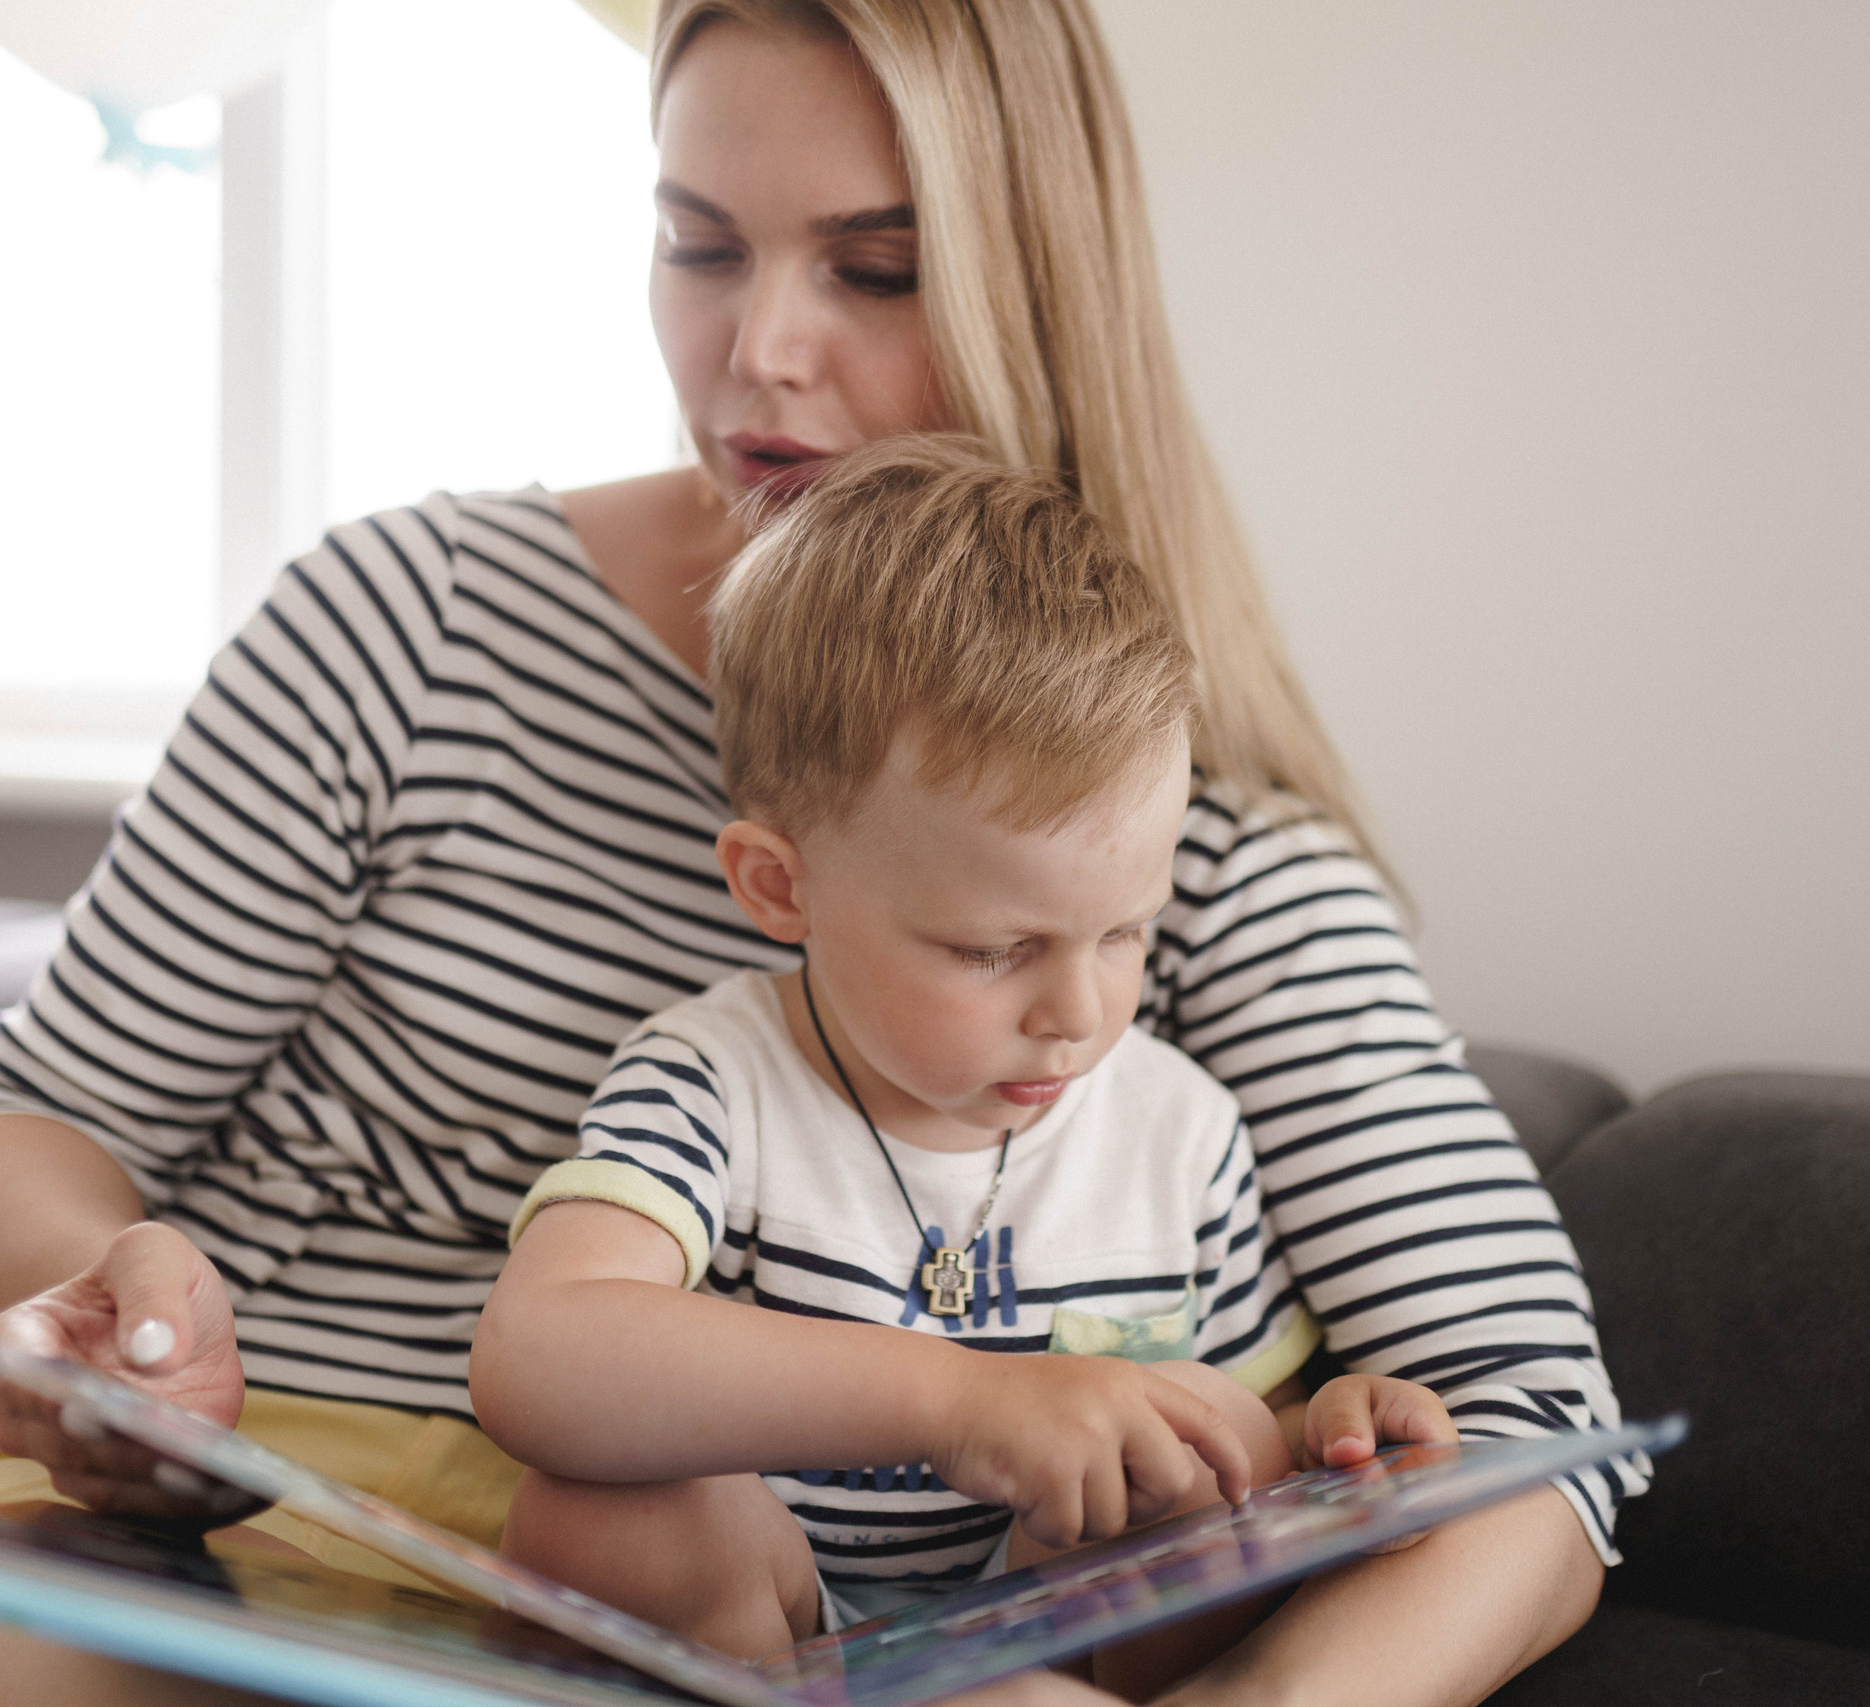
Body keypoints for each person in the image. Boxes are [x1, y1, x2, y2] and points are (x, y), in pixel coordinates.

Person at [0, 3, 1642, 1704]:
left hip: (673, 1614)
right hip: (161, 1548)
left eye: (876, 269)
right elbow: (33, 1119)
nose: (757, 353)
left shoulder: (1177, 855)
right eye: (697, 246)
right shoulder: (407, 622)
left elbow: (1538, 1434)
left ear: (1032, 285)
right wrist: (109, 1314)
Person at [476, 438, 1460, 1690]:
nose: (1075, 1009)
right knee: (592, 1511)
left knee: (1211, 1446)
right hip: (767, 1609)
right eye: (995, 950)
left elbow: (1245, 1434)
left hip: (1035, 1616)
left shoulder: (1180, 1127)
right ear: (782, 888)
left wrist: (1330, 1435)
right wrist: (956, 1403)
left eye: (1122, 933)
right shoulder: (712, 1078)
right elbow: (538, 1355)